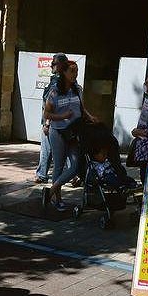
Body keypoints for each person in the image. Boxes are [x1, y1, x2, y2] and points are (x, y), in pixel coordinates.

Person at [41, 60, 96, 212]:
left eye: (76, 71)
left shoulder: (77, 89)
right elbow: (46, 113)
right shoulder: (54, 91)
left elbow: (81, 108)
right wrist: (62, 116)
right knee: (58, 166)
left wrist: (90, 117)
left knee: (75, 166)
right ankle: (57, 199)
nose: (75, 74)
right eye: (72, 71)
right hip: (58, 132)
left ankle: (50, 191)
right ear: (63, 73)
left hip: (74, 132)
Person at [34, 53, 67, 184]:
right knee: (57, 150)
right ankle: (42, 174)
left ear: (60, 65)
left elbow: (52, 103)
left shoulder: (59, 82)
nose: (51, 65)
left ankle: (42, 174)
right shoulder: (58, 80)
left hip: (53, 122)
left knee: (49, 149)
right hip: (56, 121)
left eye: (54, 63)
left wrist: (47, 123)